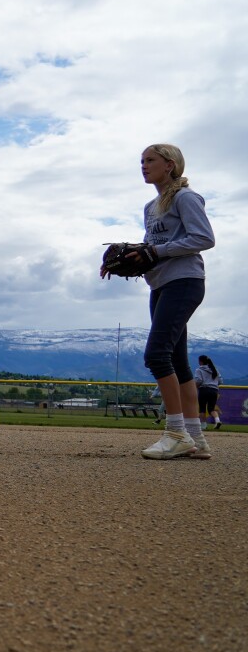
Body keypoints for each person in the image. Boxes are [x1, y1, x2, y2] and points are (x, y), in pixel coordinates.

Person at [101, 144, 215, 460]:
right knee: (178, 362)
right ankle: (195, 438)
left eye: (150, 160)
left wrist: (157, 252)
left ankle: (175, 432)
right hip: (161, 284)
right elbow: (155, 246)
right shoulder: (151, 206)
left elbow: (204, 238)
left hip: (185, 281)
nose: (143, 165)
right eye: (141, 161)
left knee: (156, 355)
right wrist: (132, 257)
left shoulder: (185, 198)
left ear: (170, 164)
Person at [194, 355, 222, 431]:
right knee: (211, 409)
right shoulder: (214, 369)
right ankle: (217, 421)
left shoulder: (199, 370)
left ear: (201, 361)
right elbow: (220, 381)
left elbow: (199, 381)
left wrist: (194, 388)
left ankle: (203, 426)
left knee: (202, 409)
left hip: (204, 390)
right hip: (214, 390)